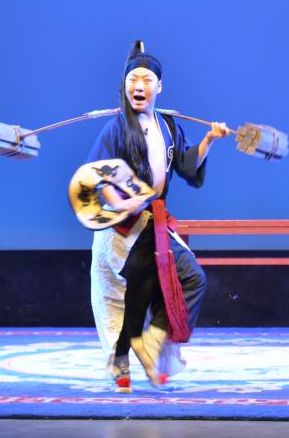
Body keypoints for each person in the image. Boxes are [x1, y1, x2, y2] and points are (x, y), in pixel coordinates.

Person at [86, 40, 228, 392]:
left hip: (153, 224)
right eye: (133, 79)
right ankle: (120, 363)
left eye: (147, 80)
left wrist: (209, 140)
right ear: (124, 87)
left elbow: (186, 165)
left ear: (159, 87)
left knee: (190, 278)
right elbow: (96, 177)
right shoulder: (116, 129)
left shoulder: (169, 127)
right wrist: (120, 202)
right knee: (120, 299)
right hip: (120, 228)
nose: (139, 86)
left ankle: (153, 343)